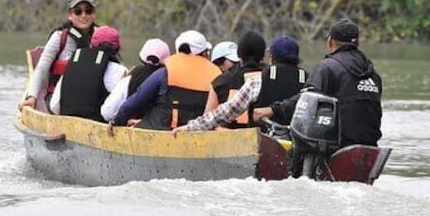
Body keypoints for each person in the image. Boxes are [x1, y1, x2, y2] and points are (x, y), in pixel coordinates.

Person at [252, 18, 382, 148]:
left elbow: (305, 101)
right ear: (357, 43)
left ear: (330, 42)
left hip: (340, 144)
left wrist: (272, 110)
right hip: (370, 144)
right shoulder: (373, 75)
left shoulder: (327, 68)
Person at [173, 34, 308, 133]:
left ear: (271, 58)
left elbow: (226, 111)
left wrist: (190, 127)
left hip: (265, 146)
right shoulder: (308, 81)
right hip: (298, 145)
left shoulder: (257, 81)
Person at [111, 30, 220, 130]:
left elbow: (134, 102)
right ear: (204, 52)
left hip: (162, 130)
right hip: (197, 132)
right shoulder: (216, 75)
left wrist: (117, 123)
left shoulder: (164, 73)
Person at [19, 0, 98, 112]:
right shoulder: (59, 37)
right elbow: (41, 69)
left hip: (91, 99)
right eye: (78, 11)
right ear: (70, 15)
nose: (83, 15)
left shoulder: (101, 36)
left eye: (88, 11)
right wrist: (32, 97)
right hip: (59, 99)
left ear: (94, 14)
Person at [50, 25, 127, 121]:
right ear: (117, 48)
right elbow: (112, 113)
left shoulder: (72, 64)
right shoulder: (121, 71)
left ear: (91, 45)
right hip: (99, 124)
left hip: (68, 122)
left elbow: (54, 106)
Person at [101, 38, 170, 122]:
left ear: (141, 57)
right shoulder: (172, 82)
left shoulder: (129, 79)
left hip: (131, 129)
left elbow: (107, 113)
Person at [203, 31, 267, 122]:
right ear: (263, 54)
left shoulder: (220, 81)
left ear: (239, 55)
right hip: (268, 133)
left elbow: (207, 118)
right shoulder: (273, 77)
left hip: (230, 134)